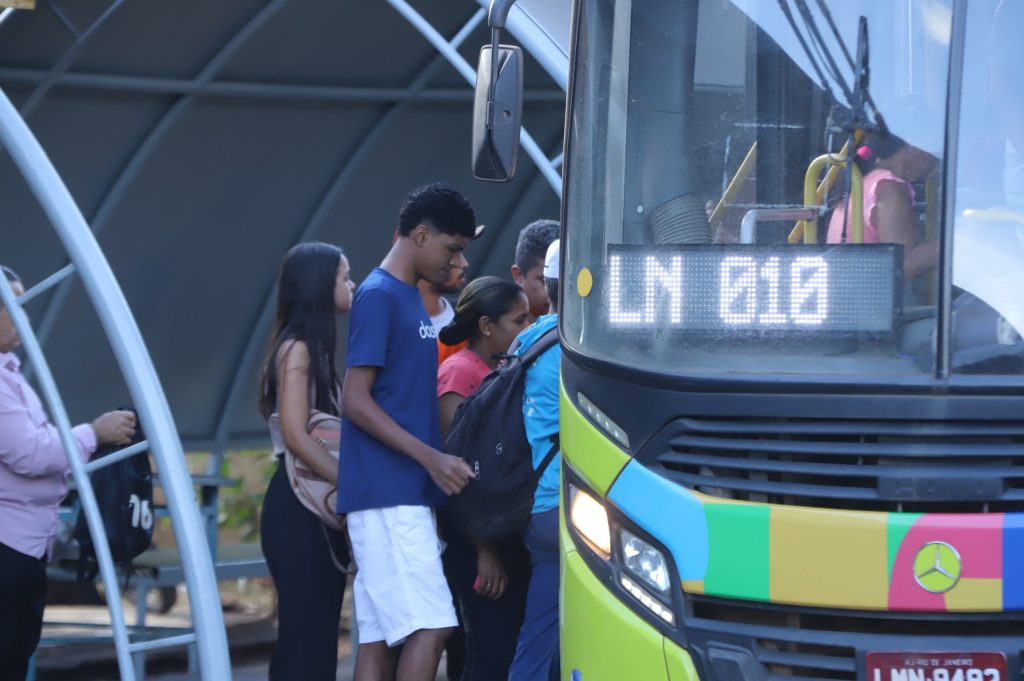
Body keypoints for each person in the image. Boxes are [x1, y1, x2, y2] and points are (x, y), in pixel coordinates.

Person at [339, 183, 477, 681]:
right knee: (433, 628)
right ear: (421, 235)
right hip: (388, 494)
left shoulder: (405, 296)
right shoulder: (379, 295)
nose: (455, 260)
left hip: (397, 495)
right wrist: (432, 459)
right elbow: (354, 399)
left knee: (377, 641)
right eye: (453, 248)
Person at [0, 265, 136, 680]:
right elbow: (30, 452)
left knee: (16, 652)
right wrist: (93, 433)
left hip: (25, 541)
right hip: (8, 541)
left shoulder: (10, 371)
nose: (24, 317)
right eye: (13, 306)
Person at [258, 242, 355, 681]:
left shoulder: (311, 350)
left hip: (307, 503)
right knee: (304, 639)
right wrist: (351, 485)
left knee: (315, 638)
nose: (351, 284)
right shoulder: (297, 349)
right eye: (343, 277)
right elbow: (296, 434)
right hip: (298, 507)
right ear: (320, 286)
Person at [436, 277, 531, 681]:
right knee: (488, 652)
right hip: (476, 537)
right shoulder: (459, 374)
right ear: (488, 327)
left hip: (502, 530)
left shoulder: (504, 368)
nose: (528, 329)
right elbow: (457, 472)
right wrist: (484, 551)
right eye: (519, 320)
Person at [508, 239, 563, 681]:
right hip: (573, 509)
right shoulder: (578, 348)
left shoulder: (526, 340)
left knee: (539, 635)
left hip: (533, 506)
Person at [826, 132, 939, 280]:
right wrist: (959, 241)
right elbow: (903, 265)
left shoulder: (863, 179)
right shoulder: (889, 187)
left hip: (849, 290)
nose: (936, 162)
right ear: (914, 146)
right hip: (870, 295)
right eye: (934, 153)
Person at [511, 219, 560, 321]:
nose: (558, 291)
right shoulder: (502, 333)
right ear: (518, 275)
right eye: (546, 281)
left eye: (569, 281)